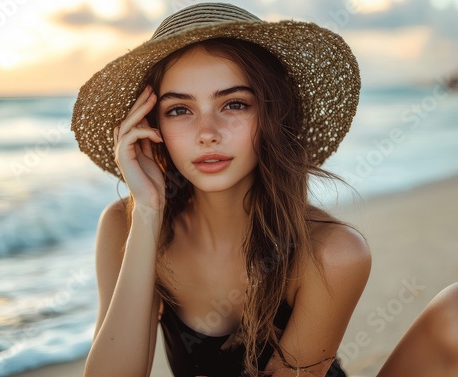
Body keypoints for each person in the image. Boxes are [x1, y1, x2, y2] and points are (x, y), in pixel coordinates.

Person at [71, 3, 458, 376]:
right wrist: (148, 212)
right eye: (179, 110)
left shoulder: (331, 252)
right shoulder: (125, 226)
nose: (208, 133)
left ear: (273, 114)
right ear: (152, 128)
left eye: (234, 104)